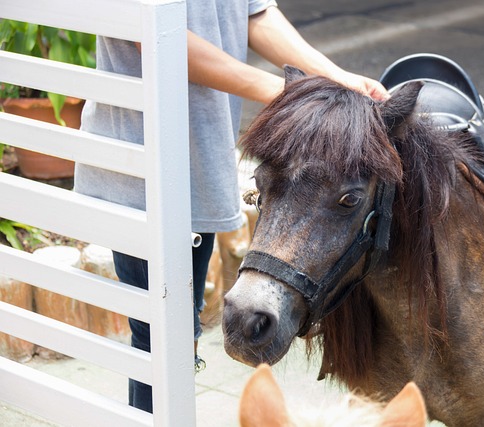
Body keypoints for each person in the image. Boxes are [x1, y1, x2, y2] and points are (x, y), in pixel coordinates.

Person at [74, 0, 388, 414]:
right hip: (144, 160)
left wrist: (334, 78)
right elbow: (155, 33)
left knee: (178, 331)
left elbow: (254, 13)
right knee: (160, 335)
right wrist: (291, 94)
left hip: (197, 161)